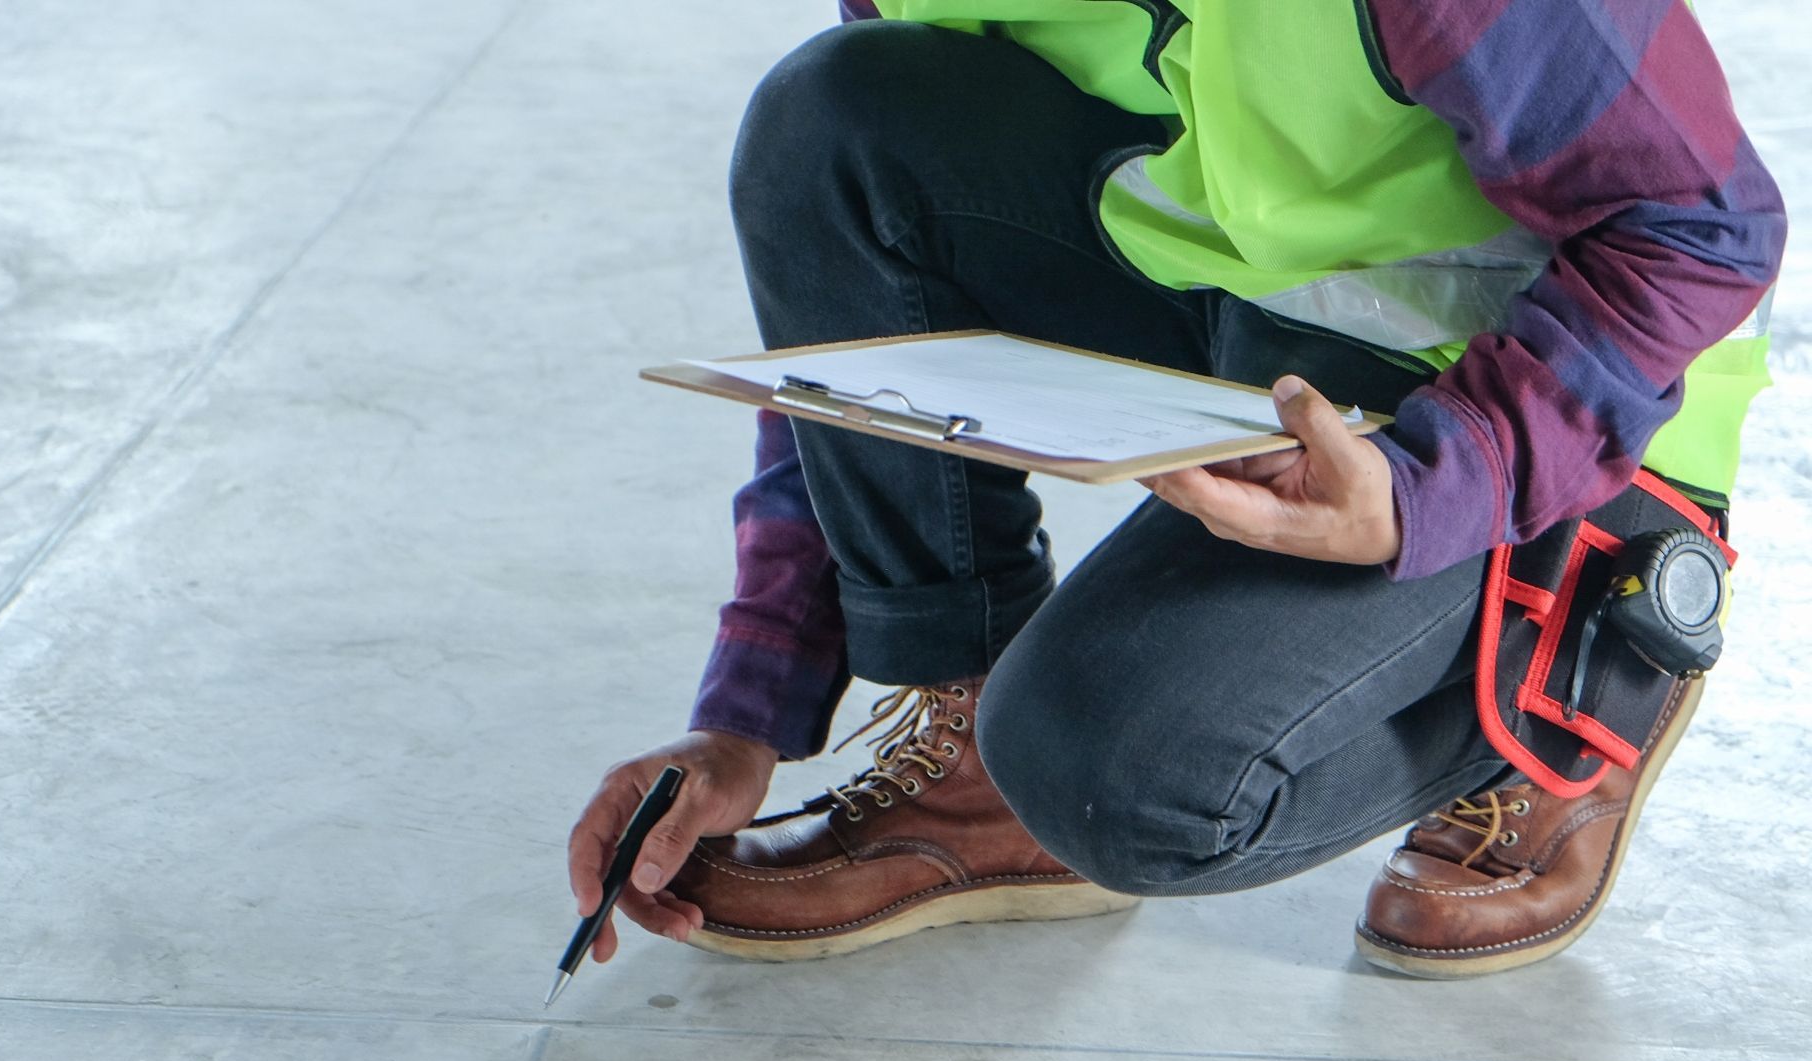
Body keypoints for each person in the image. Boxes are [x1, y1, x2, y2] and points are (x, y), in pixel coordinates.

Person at [567, 0, 1784, 978]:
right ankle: (970, 757)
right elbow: (865, 367)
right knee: (832, 114)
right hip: (1257, 319)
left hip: (1552, 410)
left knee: (1121, 773)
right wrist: (753, 705)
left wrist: (1443, 481)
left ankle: (1580, 660)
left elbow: (1703, 226)